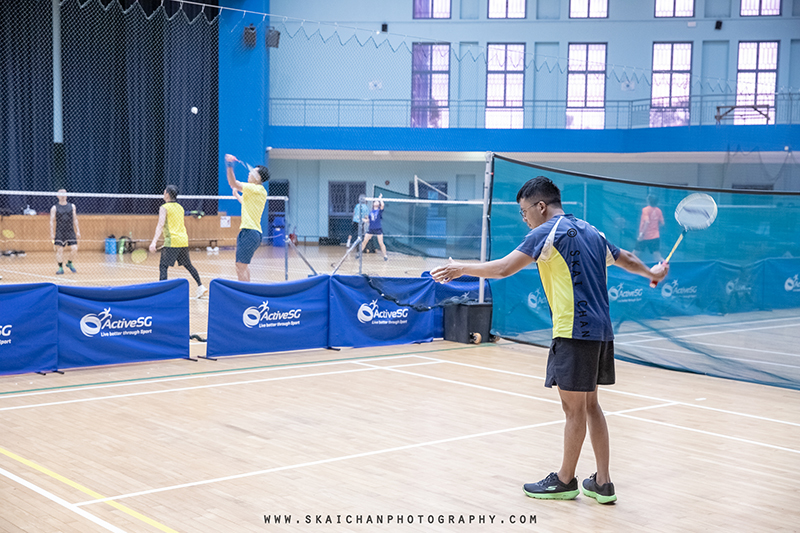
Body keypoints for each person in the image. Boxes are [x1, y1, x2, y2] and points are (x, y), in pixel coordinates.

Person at [431, 176, 668, 505]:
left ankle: (565, 480)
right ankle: (602, 482)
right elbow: (625, 256)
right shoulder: (592, 231)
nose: (524, 218)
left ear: (540, 206)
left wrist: (461, 268)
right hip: (601, 330)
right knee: (591, 405)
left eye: (524, 211)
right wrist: (652, 273)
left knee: (574, 410)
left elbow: (504, 268)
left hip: (573, 330)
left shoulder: (546, 232)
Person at [149, 185, 207, 298]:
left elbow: (160, 225)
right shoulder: (180, 207)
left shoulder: (164, 207)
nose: (163, 193)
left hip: (172, 241)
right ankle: (200, 286)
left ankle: (163, 292)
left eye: (164, 192)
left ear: (167, 194)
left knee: (163, 266)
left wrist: (154, 242)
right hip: (183, 241)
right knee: (188, 265)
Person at [225, 154, 269, 282]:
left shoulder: (256, 188)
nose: (249, 173)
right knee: (243, 266)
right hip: (249, 232)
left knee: (241, 266)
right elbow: (245, 203)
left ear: (259, 177)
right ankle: (247, 289)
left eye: (253, 172)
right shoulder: (256, 191)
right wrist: (236, 195)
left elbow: (233, 182)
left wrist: (229, 165)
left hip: (250, 232)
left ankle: (243, 292)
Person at [50, 189, 81, 275]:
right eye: (61, 194)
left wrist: (78, 230)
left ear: (67, 195)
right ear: (57, 196)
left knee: (74, 248)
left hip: (70, 230)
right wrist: (51, 233)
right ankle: (60, 268)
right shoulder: (54, 208)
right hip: (60, 231)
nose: (63, 196)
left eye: (64, 194)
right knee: (60, 250)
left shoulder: (72, 206)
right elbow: (51, 221)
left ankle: (69, 262)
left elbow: (75, 219)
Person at [633, 194, 665, 262]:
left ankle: (626, 268)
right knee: (657, 257)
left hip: (644, 237)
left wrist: (642, 234)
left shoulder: (645, 210)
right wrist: (655, 228)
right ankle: (665, 266)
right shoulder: (659, 211)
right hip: (655, 237)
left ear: (648, 201)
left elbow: (647, 222)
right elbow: (662, 223)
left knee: (634, 255)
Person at [360, 194, 388, 261]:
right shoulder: (371, 212)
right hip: (371, 229)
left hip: (378, 228)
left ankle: (385, 255)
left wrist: (380, 198)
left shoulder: (379, 210)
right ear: (373, 204)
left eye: (377, 201)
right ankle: (359, 253)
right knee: (365, 241)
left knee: (381, 243)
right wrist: (363, 220)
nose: (376, 202)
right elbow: (369, 221)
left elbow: (382, 205)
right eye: (375, 201)